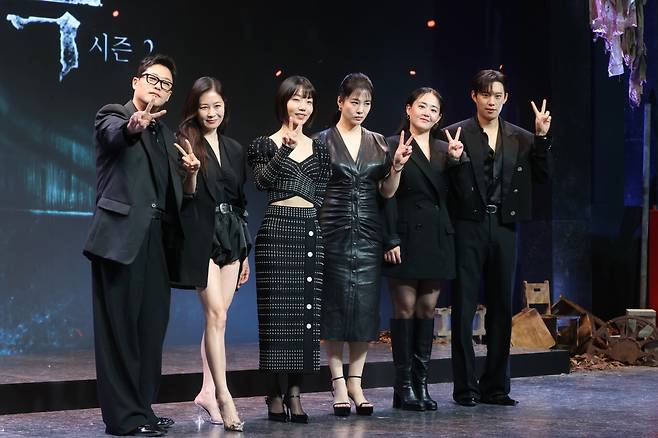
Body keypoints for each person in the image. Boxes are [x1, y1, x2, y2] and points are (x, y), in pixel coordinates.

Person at [83, 54, 200, 437]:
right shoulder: (113, 114)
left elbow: (172, 193)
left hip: (155, 242)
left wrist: (190, 177)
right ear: (136, 81)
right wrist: (134, 124)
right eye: (152, 79)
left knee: (150, 330)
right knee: (119, 331)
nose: (158, 87)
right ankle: (123, 418)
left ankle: (142, 409)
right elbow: (116, 134)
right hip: (119, 240)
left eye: (166, 84)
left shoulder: (167, 135)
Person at [441, 69, 552, 407]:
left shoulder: (520, 136)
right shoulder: (454, 133)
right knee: (463, 306)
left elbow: (543, 177)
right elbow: (445, 189)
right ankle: (465, 388)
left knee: (502, 307)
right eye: (485, 94)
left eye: (498, 95)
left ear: (505, 99)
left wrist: (542, 138)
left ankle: (496, 387)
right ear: (474, 96)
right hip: (468, 226)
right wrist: (455, 160)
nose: (492, 101)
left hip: (504, 227)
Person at [314, 73, 412, 416]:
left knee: (365, 308)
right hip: (332, 231)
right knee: (335, 308)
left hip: (368, 233)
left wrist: (396, 167)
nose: (360, 109)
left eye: (366, 103)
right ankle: (338, 381)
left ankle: (357, 382)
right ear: (340, 101)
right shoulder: (321, 141)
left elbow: (386, 193)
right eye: (354, 101)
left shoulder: (379, 143)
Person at [247, 75, 331, 424]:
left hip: (309, 230)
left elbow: (321, 192)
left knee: (304, 319)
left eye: (308, 101)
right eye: (297, 99)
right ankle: (273, 393)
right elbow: (263, 182)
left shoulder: (321, 148)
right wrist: (286, 146)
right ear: (283, 103)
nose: (303, 106)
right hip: (276, 231)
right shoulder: (263, 144)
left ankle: (295, 392)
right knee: (276, 318)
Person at [174, 77, 251, 432]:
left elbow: (240, 202)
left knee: (218, 322)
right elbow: (187, 196)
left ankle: (206, 391)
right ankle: (223, 396)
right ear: (195, 108)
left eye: (217, 106)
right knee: (217, 314)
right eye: (204, 106)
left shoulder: (235, 149)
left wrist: (245, 253)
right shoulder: (185, 142)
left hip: (233, 237)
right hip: (201, 236)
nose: (211, 112)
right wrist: (190, 175)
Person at [382, 87, 456, 411]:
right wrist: (390, 239)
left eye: (434, 109)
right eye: (421, 106)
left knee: (428, 311)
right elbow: (383, 197)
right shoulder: (391, 144)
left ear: (439, 117)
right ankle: (403, 387)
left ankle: (422, 384)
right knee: (405, 310)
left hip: (437, 238)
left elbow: (457, 196)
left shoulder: (446, 149)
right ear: (409, 108)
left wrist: (458, 162)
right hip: (405, 236)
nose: (427, 112)